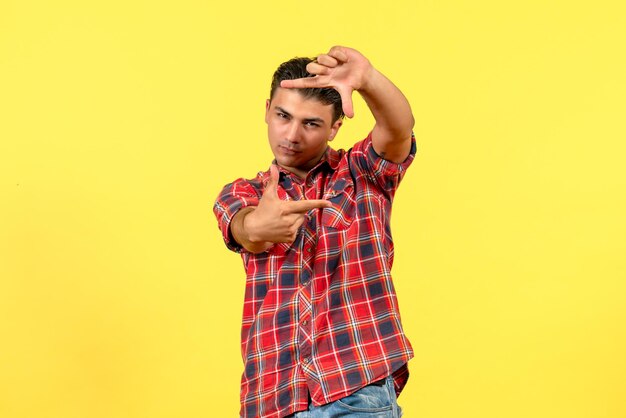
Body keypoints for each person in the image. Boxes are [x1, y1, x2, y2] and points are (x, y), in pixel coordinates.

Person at [213, 45, 416, 418]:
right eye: (283, 116)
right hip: (274, 396)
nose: (291, 134)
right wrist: (259, 224)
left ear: (335, 127)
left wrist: (368, 79)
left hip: (355, 389)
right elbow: (243, 228)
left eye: (310, 123)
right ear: (267, 111)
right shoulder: (245, 192)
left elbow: (398, 129)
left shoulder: (362, 173)